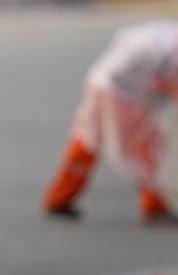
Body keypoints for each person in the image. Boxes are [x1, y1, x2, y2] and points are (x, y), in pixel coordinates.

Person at [43, 21, 178, 225]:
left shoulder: (163, 31)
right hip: (124, 93)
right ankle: (155, 205)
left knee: (89, 136)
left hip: (100, 78)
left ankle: (59, 197)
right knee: (146, 146)